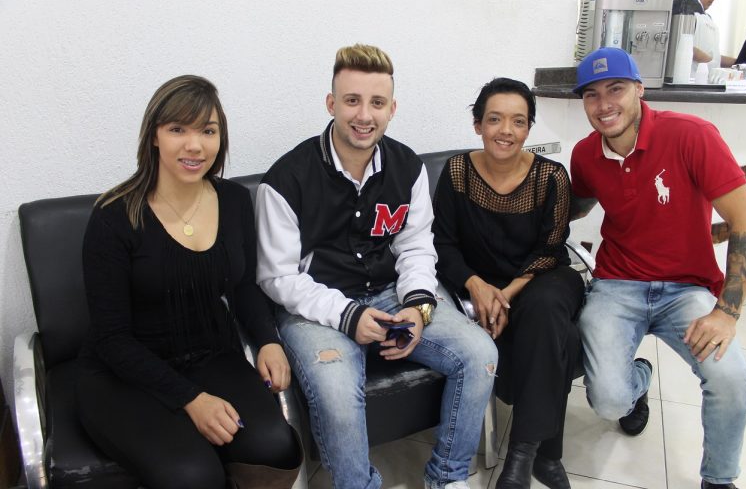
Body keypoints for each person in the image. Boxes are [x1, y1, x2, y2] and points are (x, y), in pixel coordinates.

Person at [256, 44, 498, 489]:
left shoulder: (408, 167)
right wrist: (348, 316)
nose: (364, 115)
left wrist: (419, 305)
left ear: (392, 109)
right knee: (335, 392)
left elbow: (416, 246)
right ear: (331, 104)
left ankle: (447, 477)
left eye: (377, 103)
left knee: (480, 353)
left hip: (389, 293)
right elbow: (278, 276)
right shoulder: (286, 179)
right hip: (316, 307)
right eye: (352, 100)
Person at [76, 75, 302, 489]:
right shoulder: (113, 217)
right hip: (123, 372)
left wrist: (269, 341)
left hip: (209, 353)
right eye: (178, 129)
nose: (195, 145)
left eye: (208, 131)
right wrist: (191, 399)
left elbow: (243, 286)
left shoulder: (234, 200)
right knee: (193, 475)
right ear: (154, 136)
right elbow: (112, 339)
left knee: (275, 446)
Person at [570, 47, 746, 489]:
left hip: (687, 288)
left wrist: (727, 313)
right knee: (608, 401)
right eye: (592, 95)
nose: (604, 104)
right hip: (617, 285)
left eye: (616, 89)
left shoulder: (691, 135)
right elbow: (577, 205)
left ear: (640, 89)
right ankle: (640, 379)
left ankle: (718, 480)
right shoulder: (584, 154)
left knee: (731, 377)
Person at [432, 78, 584, 489]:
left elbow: (552, 247)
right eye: (495, 119)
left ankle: (521, 453)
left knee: (545, 308)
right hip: (481, 284)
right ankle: (547, 454)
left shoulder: (551, 176)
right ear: (477, 124)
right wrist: (476, 285)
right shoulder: (458, 172)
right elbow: (443, 244)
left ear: (529, 128)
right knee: (563, 338)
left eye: (519, 121)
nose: (506, 130)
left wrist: (504, 295)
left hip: (543, 277)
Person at [689, 0, 736, 76]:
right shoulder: (684, 14)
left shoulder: (708, 19)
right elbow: (684, 46)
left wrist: (739, 62)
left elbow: (714, 57)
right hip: (689, 79)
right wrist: (712, 63)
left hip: (706, 80)